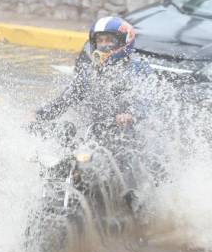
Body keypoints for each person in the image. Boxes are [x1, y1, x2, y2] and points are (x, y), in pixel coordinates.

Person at [33, 16, 155, 214]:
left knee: (129, 182)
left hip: (126, 137)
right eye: (100, 40)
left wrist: (131, 114)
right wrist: (39, 115)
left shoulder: (137, 69)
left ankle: (132, 212)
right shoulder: (91, 72)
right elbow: (67, 98)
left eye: (110, 40)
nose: (104, 45)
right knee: (65, 159)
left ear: (124, 42)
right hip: (94, 134)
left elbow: (145, 99)